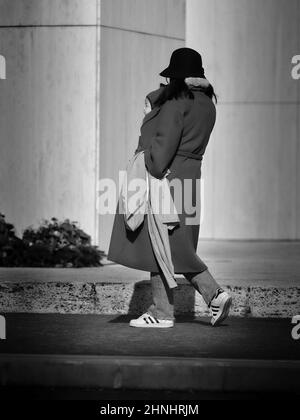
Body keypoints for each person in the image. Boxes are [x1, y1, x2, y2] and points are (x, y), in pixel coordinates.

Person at [108, 48, 232, 328]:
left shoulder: (177, 102)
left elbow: (162, 147)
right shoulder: (207, 104)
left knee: (163, 244)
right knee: (172, 243)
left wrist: (149, 163)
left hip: (168, 179)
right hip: (191, 177)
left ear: (174, 77)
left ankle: (179, 307)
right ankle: (177, 306)